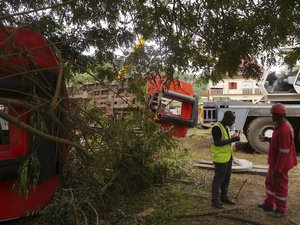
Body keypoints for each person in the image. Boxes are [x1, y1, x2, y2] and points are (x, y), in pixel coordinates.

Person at [258, 103, 297, 218]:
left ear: (279, 115)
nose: (272, 117)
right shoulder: (278, 126)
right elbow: (277, 143)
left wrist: (279, 169)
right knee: (270, 182)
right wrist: (267, 139)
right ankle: (269, 204)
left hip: (281, 164)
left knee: (280, 186)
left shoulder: (284, 130)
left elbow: (284, 152)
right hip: (274, 162)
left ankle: (281, 209)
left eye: (273, 114)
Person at [210, 111, 240, 209]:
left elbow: (226, 142)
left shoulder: (226, 127)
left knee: (226, 180)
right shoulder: (216, 128)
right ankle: (215, 201)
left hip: (228, 158)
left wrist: (232, 139)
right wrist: (232, 140)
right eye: (232, 120)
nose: (233, 123)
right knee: (218, 181)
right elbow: (218, 143)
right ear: (226, 118)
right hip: (220, 159)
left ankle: (224, 198)